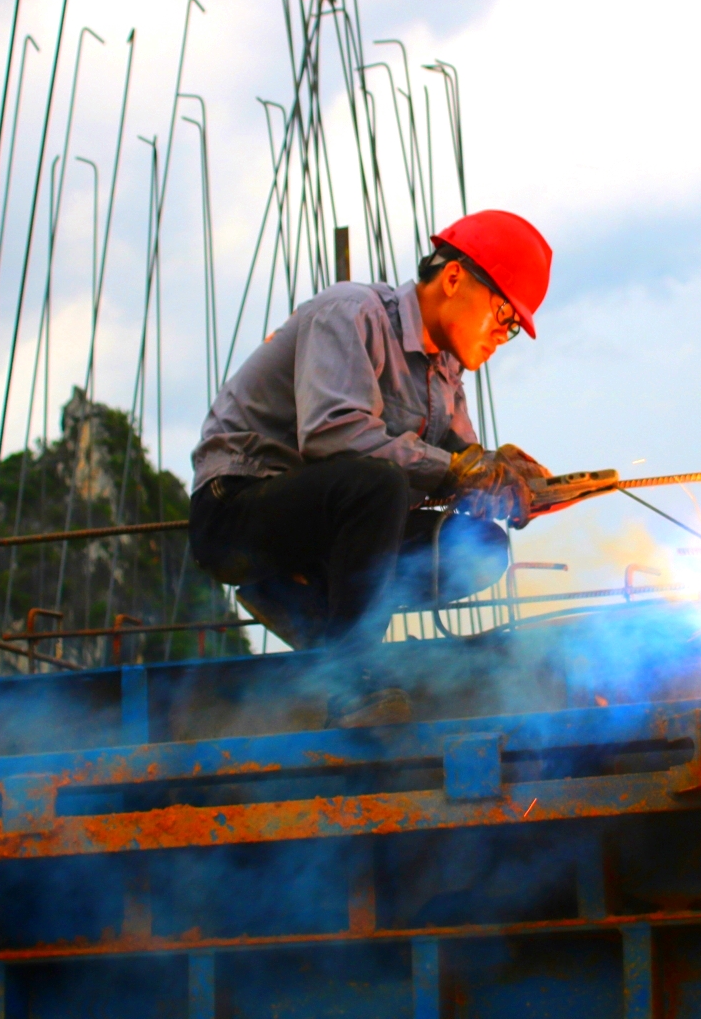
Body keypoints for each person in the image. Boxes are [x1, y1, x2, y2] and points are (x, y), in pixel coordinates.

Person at [188, 210, 553, 723]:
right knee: (375, 481)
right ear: (454, 278)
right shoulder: (350, 312)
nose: (501, 335)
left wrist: (503, 480)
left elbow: (460, 462)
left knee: (479, 545)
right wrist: (457, 470)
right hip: (239, 510)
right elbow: (333, 435)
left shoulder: (445, 372)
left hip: (331, 527)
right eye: (504, 317)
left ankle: (305, 605)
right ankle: (351, 679)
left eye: (511, 329)